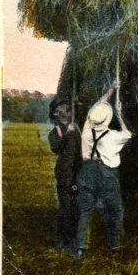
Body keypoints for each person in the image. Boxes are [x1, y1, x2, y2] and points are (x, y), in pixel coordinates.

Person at [73, 82, 132, 259]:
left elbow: (93, 110)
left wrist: (109, 91)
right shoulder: (113, 137)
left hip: (86, 171)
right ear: (107, 119)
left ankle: (81, 248)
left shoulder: (86, 131)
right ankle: (114, 245)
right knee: (114, 209)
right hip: (106, 174)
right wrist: (120, 115)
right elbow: (127, 134)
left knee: (85, 210)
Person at [47, 97, 81, 252]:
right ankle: (61, 242)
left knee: (75, 208)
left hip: (78, 173)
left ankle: (73, 241)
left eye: (67, 106)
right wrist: (68, 134)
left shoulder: (76, 127)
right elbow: (56, 148)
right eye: (62, 106)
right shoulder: (54, 133)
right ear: (55, 113)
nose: (67, 108)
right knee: (65, 208)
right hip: (64, 175)